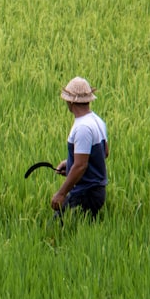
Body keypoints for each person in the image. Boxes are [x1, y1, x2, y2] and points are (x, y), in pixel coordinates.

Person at [50, 77, 109, 218]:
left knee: (57, 231)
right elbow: (104, 153)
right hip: (96, 192)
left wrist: (61, 193)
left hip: (85, 194)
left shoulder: (82, 127)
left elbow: (81, 165)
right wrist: (69, 164)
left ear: (70, 101)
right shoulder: (97, 120)